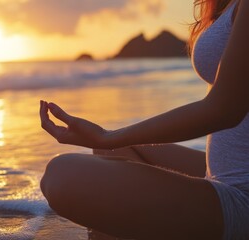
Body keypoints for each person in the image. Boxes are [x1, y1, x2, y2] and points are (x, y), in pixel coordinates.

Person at [39, 0, 249, 239]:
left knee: (62, 176)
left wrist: (107, 136)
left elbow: (223, 109)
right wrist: (108, 139)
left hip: (243, 195)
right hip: (222, 172)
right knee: (113, 149)